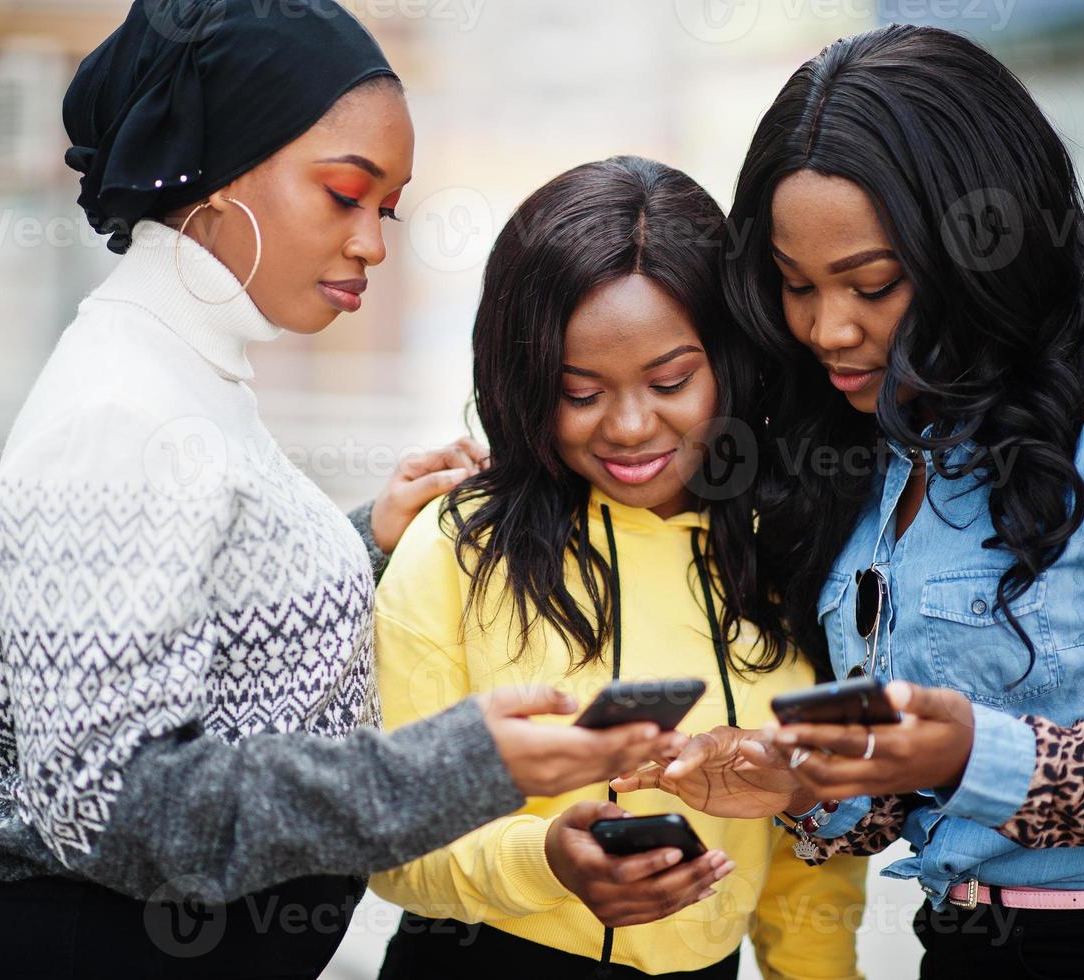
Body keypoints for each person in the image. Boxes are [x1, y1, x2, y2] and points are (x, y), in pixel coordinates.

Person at [0, 4, 682, 977]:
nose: (372, 242)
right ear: (220, 163)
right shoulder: (122, 415)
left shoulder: (183, 372)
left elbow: (192, 617)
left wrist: (364, 535)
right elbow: (115, 800)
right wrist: (458, 765)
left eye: (388, 208)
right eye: (345, 194)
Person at [615, 24, 1084, 978]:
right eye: (794, 287)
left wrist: (974, 755)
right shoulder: (868, 459)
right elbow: (901, 784)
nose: (828, 328)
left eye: (872, 285)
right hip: (957, 941)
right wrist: (791, 778)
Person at [367, 156, 866, 980]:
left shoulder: (791, 547)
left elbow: (810, 855)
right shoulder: (456, 546)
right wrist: (543, 861)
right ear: (522, 380)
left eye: (670, 380)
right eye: (579, 391)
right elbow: (390, 839)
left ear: (731, 359)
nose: (631, 427)